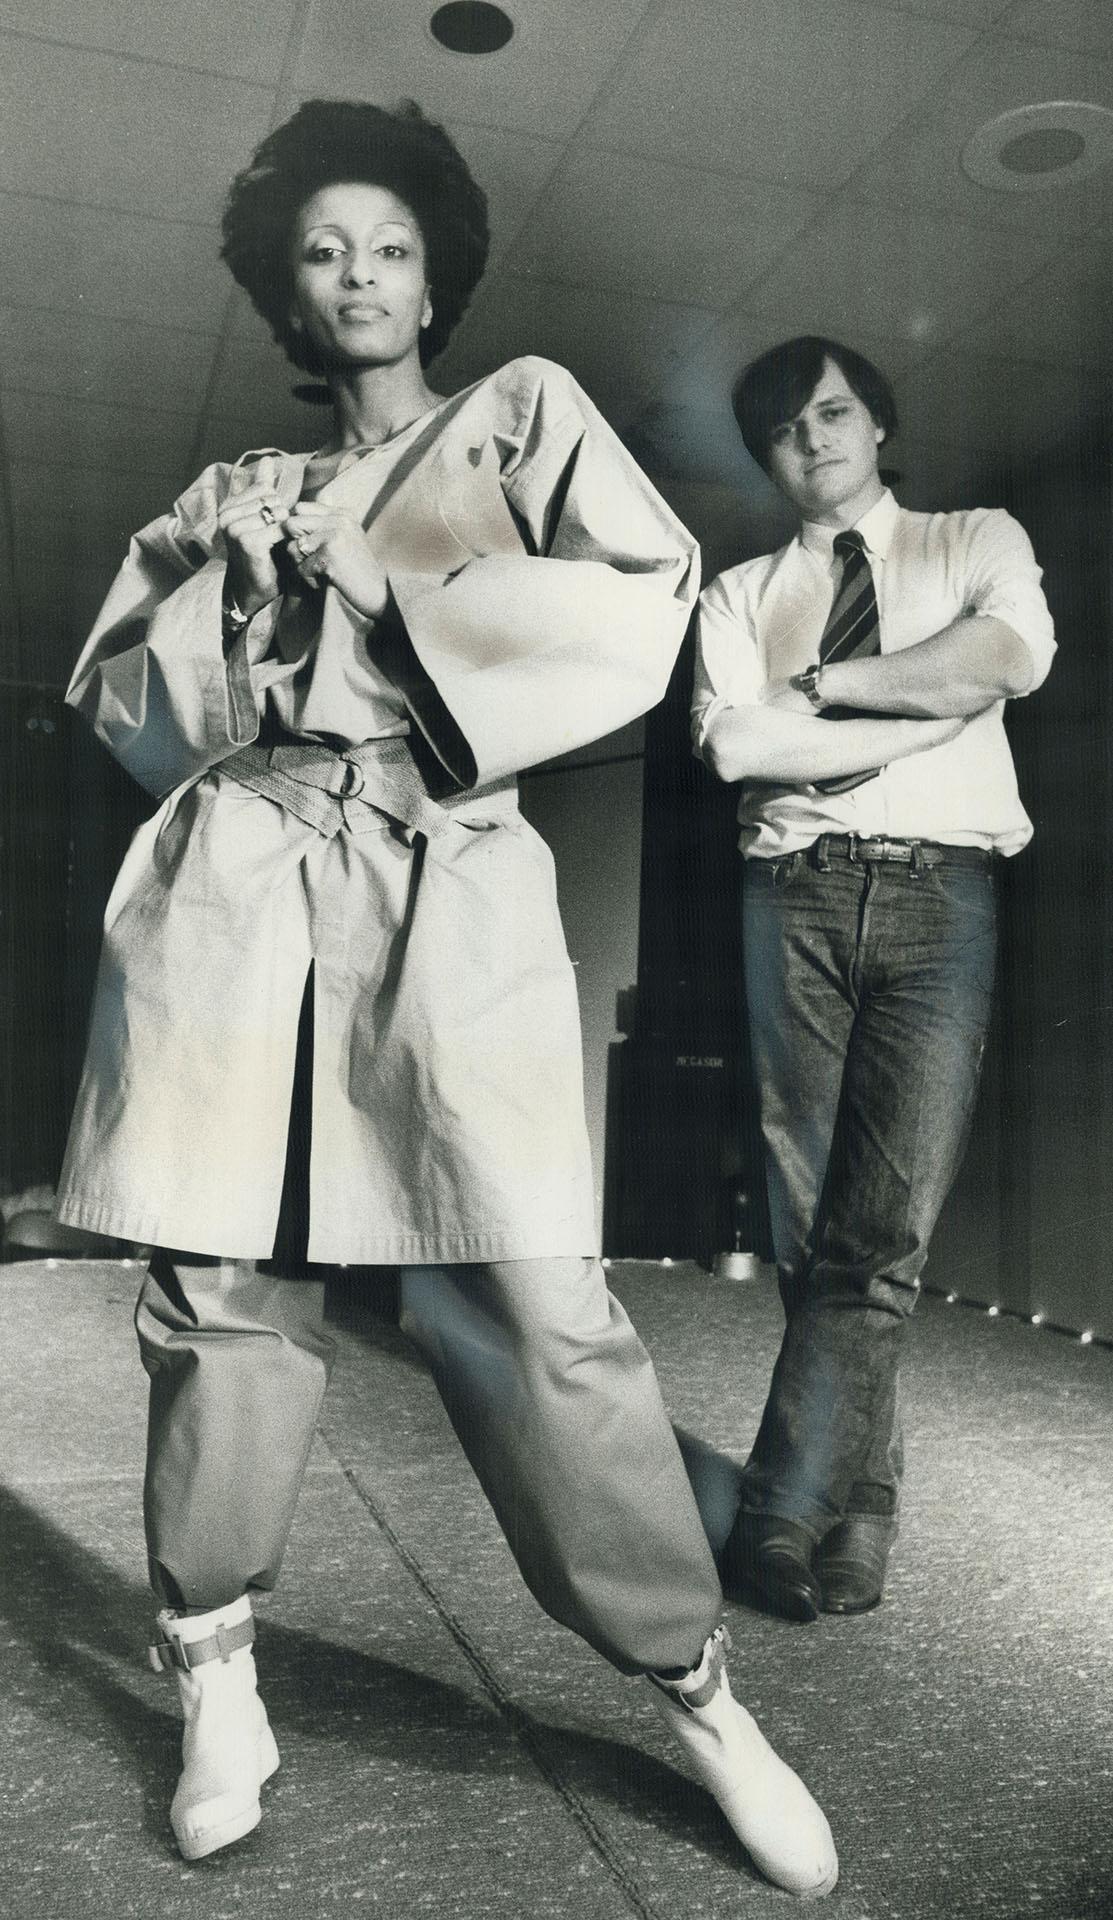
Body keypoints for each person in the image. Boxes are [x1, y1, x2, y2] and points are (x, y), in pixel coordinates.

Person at [56, 103, 837, 1895]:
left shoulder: (525, 414)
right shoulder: (224, 490)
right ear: (286, 284)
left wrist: (381, 586)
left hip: (441, 873)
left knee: (535, 1304)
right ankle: (217, 1677)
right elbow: (124, 708)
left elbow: (649, 607)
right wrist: (226, 584)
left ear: (435, 275)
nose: (358, 277)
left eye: (390, 247)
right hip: (238, 884)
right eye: (322, 250)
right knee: (218, 1285)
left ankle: (693, 1687)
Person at [693, 335, 1054, 1624]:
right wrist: (928, 707)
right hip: (789, 896)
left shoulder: (975, 540)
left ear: (877, 423)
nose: (815, 440)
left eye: (835, 412)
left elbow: (1007, 660)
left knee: (880, 1230)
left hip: (941, 899)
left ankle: (787, 1509)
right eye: (785, 429)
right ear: (766, 455)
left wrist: (836, 687)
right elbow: (740, 745)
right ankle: (872, 1503)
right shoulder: (736, 595)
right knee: (815, 1228)